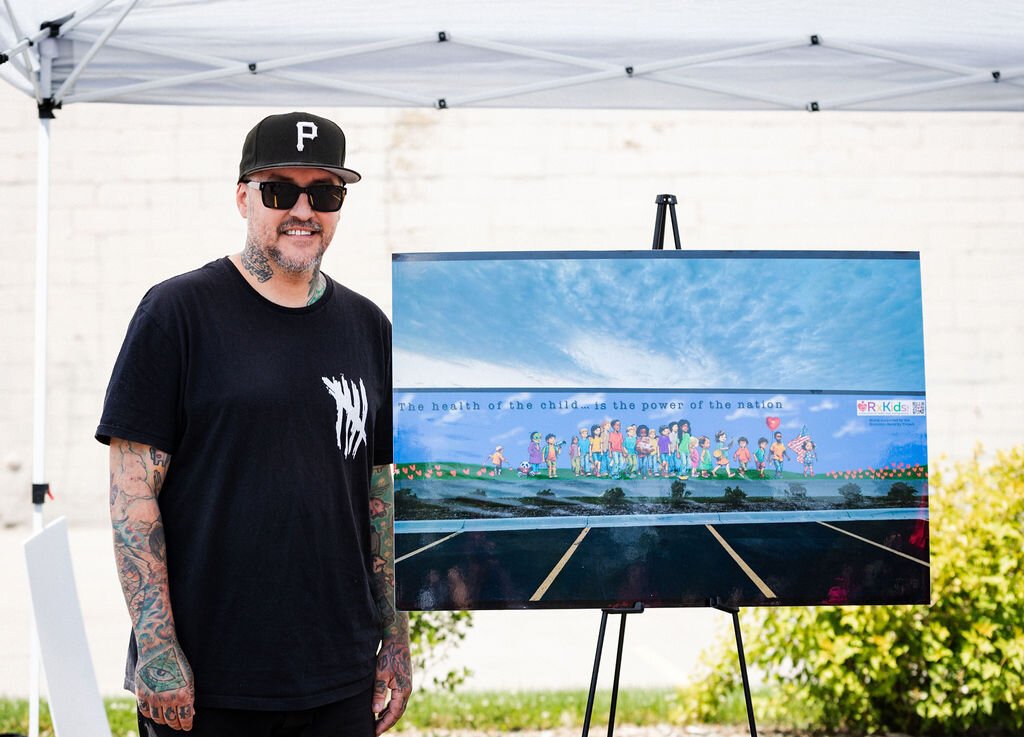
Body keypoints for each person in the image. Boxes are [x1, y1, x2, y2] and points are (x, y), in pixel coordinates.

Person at [96, 112, 411, 735]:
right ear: (243, 197)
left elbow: (379, 499)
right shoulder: (177, 313)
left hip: (338, 675)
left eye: (324, 193)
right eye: (279, 191)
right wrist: (157, 651)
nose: (303, 210)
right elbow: (133, 500)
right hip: (211, 681)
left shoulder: (367, 326)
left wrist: (394, 639)